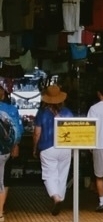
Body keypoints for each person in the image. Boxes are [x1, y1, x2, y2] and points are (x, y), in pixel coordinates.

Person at [36, 85, 74, 215]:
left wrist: (34, 147)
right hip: (65, 147)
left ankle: (56, 197)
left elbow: (37, 132)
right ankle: (60, 198)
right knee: (62, 174)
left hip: (47, 147)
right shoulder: (68, 112)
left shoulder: (42, 113)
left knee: (49, 174)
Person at [0, 97, 21, 222]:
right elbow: (17, 130)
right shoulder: (10, 109)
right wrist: (15, 145)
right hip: (3, 151)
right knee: (2, 180)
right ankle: (0, 212)